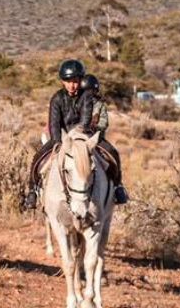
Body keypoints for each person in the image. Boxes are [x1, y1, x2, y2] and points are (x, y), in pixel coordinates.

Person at [22, 59, 93, 210]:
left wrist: (76, 138)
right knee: (37, 157)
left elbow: (85, 122)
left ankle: (117, 187)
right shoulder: (57, 98)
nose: (72, 85)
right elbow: (54, 123)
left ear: (80, 80)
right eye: (68, 81)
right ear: (62, 81)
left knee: (110, 151)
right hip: (60, 138)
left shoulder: (86, 96)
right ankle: (32, 191)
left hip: (81, 138)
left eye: (75, 81)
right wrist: (58, 142)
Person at [82, 74, 128, 204]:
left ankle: (118, 186)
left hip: (96, 138)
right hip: (79, 137)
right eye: (85, 91)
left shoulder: (100, 105)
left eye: (91, 91)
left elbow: (104, 122)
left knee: (113, 153)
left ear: (96, 91)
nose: (88, 94)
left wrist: (94, 127)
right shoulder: (76, 104)